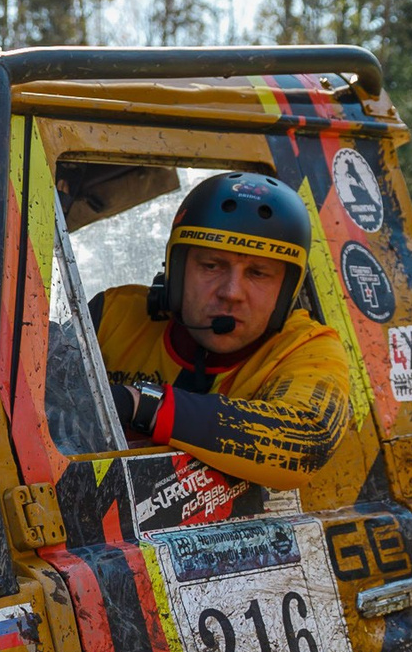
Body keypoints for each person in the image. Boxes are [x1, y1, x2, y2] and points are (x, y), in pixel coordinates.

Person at [93, 171, 370, 496]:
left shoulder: (308, 347)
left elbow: (308, 440)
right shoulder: (113, 315)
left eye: (258, 272)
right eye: (211, 265)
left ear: (286, 292)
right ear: (177, 271)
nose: (231, 292)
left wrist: (142, 404)